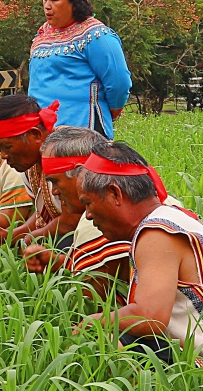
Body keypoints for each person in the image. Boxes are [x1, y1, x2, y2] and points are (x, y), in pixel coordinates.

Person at [76, 141, 203, 365]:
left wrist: (92, 322)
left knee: (104, 341)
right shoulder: (175, 218)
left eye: (88, 203)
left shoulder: (157, 233)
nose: (88, 215)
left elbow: (150, 317)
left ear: (115, 194)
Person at [20, 127, 133, 299]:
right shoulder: (139, 196)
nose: (54, 192)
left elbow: (89, 306)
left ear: (82, 173)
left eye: (55, 181)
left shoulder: (96, 222)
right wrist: (57, 262)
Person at [27, 0, 132, 138]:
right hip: (41, 133)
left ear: (74, 2)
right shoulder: (42, 34)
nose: (47, 5)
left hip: (83, 132)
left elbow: (119, 83)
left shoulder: (96, 35)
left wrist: (110, 111)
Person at [0, 95, 66, 245]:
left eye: (8, 147)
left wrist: (30, 238)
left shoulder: (66, 154)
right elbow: (42, 213)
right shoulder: (30, 167)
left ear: (35, 134)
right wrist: (9, 235)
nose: (3, 155)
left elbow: (74, 218)